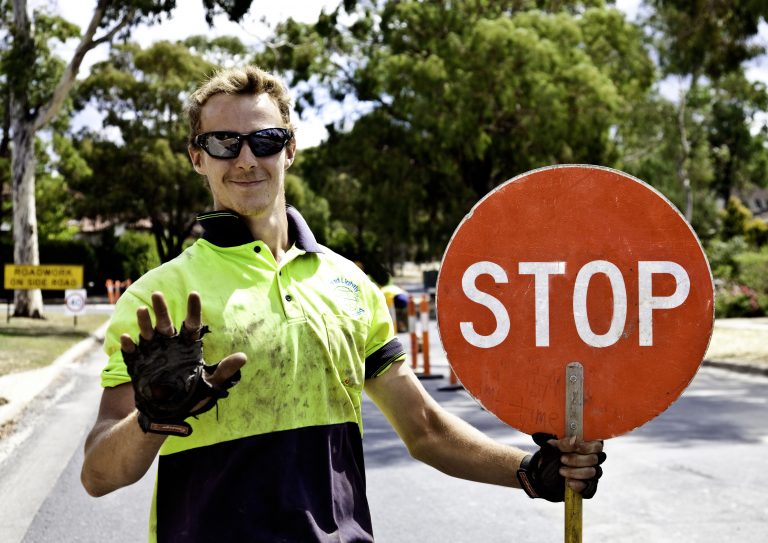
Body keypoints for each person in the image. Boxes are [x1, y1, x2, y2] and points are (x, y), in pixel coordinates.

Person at [80, 66, 605, 542]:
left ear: (289, 149)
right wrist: (153, 419)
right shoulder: (157, 299)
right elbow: (98, 475)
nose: (246, 159)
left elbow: (424, 428)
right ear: (197, 156)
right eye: (223, 142)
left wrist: (528, 473)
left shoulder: (349, 283)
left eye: (265, 140)